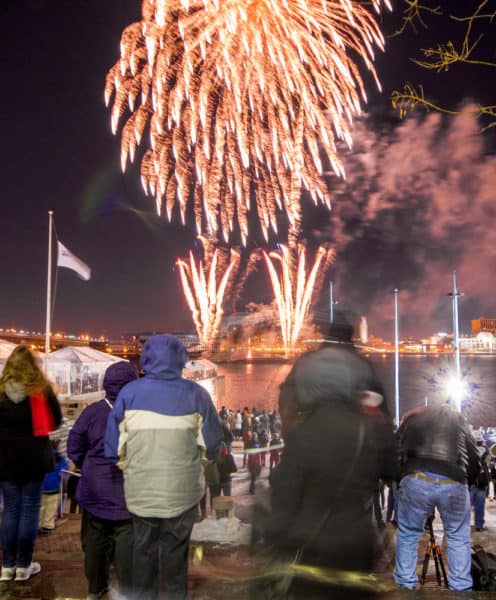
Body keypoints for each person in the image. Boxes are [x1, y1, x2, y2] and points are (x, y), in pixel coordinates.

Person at [255, 342, 397, 599]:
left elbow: (286, 499)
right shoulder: (366, 429)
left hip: (314, 554)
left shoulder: (303, 432)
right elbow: (391, 468)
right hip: (357, 549)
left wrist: (273, 539)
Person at [105, 335, 223, 599]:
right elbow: (214, 444)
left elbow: (112, 449)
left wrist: (132, 467)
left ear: (146, 359)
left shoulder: (129, 394)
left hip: (141, 492)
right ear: (181, 359)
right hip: (183, 493)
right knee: (175, 554)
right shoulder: (197, 394)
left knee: (142, 550)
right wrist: (199, 462)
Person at [67, 361, 138, 600]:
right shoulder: (139, 413)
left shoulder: (93, 412)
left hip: (95, 491)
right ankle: (128, 590)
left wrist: (87, 465)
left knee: (94, 543)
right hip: (129, 493)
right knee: (128, 546)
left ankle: (95, 588)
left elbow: (74, 446)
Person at [394, 403, 481, 591]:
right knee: (458, 536)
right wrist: (466, 482)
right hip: (454, 478)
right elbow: (474, 457)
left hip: (416, 476)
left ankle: (405, 587)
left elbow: (395, 451)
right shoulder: (459, 420)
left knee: (408, 533)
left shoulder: (411, 419)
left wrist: (401, 479)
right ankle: (461, 589)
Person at [0, 345, 62, 582]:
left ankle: (7, 566)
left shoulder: (0, 391)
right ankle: (24, 565)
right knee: (29, 511)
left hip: (5, 460)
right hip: (34, 459)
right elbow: (55, 422)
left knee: (10, 510)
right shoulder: (41, 391)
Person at [39, 439, 68, 535]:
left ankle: (38, 525)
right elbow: (64, 471)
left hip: (42, 487)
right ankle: (47, 527)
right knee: (51, 508)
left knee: (41, 506)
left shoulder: (41, 456)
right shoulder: (60, 458)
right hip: (54, 487)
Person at [470, 431, 490, 532]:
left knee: (466, 507)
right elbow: (488, 463)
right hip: (482, 482)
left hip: (470, 481)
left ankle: (462, 526)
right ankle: (479, 525)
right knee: (480, 505)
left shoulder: (468, 449)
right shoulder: (486, 450)